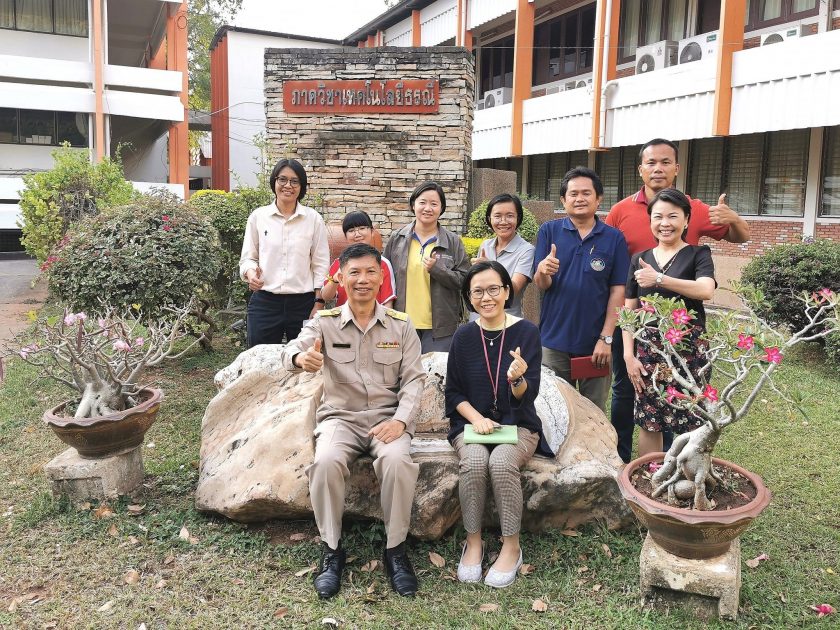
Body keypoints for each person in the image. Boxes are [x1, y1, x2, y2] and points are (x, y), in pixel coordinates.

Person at [281, 243, 425, 599]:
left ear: (381, 277)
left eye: (370, 272)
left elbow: (414, 380)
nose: (363, 280)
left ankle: (395, 551)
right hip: (340, 418)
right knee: (326, 463)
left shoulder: (401, 326)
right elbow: (292, 349)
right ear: (341, 278)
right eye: (354, 273)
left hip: (386, 417)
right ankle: (332, 550)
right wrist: (301, 360)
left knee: (396, 462)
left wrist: (402, 422)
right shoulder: (324, 324)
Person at [606, 138, 749, 462]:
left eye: (665, 162)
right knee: (637, 405)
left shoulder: (697, 224)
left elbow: (710, 282)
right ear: (640, 168)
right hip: (644, 340)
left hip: (687, 345)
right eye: (651, 162)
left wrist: (734, 218)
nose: (658, 168)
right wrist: (627, 352)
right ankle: (627, 467)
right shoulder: (622, 212)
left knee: (684, 412)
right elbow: (627, 303)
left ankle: (676, 472)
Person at [445, 261, 553, 589]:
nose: (486, 297)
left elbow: (526, 394)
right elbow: (453, 393)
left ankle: (511, 545)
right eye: (477, 291)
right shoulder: (463, 336)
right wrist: (477, 420)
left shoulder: (526, 332)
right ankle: (473, 542)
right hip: (471, 423)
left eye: (494, 289)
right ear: (469, 297)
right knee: (476, 461)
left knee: (503, 461)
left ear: (507, 291)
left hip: (518, 424)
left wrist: (517, 379)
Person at [623, 188, 716, 456]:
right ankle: (653, 479)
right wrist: (629, 355)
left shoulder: (699, 254)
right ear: (650, 220)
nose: (665, 223)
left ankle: (684, 479)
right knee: (650, 419)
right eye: (658, 217)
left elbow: (705, 290)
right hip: (649, 351)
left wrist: (660, 279)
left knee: (691, 417)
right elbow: (629, 311)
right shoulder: (639, 259)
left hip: (690, 350)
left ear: (686, 220)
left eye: (673, 216)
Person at [533, 167, 629, 411]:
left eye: (587, 193)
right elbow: (541, 284)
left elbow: (618, 291)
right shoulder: (548, 231)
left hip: (595, 345)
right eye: (573, 194)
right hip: (554, 341)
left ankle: (592, 451)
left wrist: (606, 339)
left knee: (592, 412)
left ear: (598, 199)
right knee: (554, 410)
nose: (579, 198)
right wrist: (543, 271)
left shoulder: (614, 238)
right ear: (563, 200)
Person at [239, 158, 330, 348]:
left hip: (303, 303)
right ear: (274, 182)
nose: (288, 185)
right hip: (265, 301)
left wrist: (318, 303)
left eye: (294, 181)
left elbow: (321, 264)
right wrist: (249, 273)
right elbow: (248, 257)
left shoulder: (313, 219)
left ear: (301, 186)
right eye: (282, 179)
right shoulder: (258, 217)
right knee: (259, 358)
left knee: (305, 361)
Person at [384, 181, 470, 353]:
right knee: (402, 376)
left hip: (440, 329)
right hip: (401, 323)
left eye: (434, 204)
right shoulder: (397, 239)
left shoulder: (453, 241)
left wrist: (438, 270)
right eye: (422, 202)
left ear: (441, 209)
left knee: (434, 377)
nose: (427, 208)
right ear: (413, 205)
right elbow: (384, 277)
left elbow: (465, 280)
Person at [469, 193, 535, 319]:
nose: (503, 222)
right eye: (497, 216)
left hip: (506, 323)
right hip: (478, 319)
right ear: (489, 219)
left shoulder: (526, 250)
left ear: (518, 218)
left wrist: (491, 269)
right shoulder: (485, 246)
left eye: (510, 216)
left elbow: (514, 289)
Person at [320, 210, 396, 309]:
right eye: (351, 231)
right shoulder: (339, 263)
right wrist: (335, 279)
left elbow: (388, 302)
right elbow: (326, 297)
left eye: (362, 228)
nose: (357, 234)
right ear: (345, 236)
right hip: (344, 321)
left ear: (372, 231)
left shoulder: (383, 263)